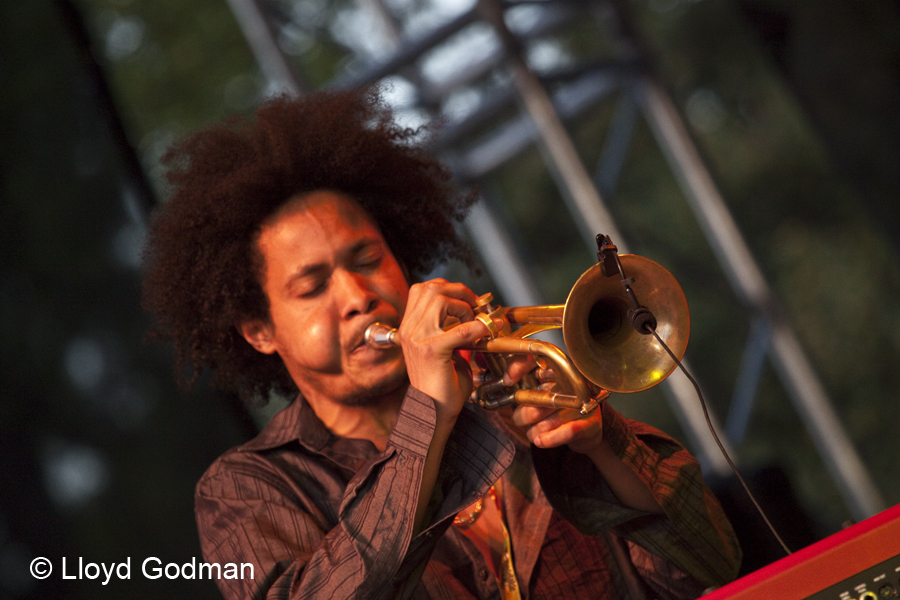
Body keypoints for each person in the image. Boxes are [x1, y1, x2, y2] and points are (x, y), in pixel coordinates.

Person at [141, 87, 741, 600]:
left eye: (367, 259)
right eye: (312, 286)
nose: (356, 294)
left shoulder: (516, 392)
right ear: (260, 330)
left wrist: (603, 442)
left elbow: (714, 568)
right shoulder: (244, 488)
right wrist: (427, 414)